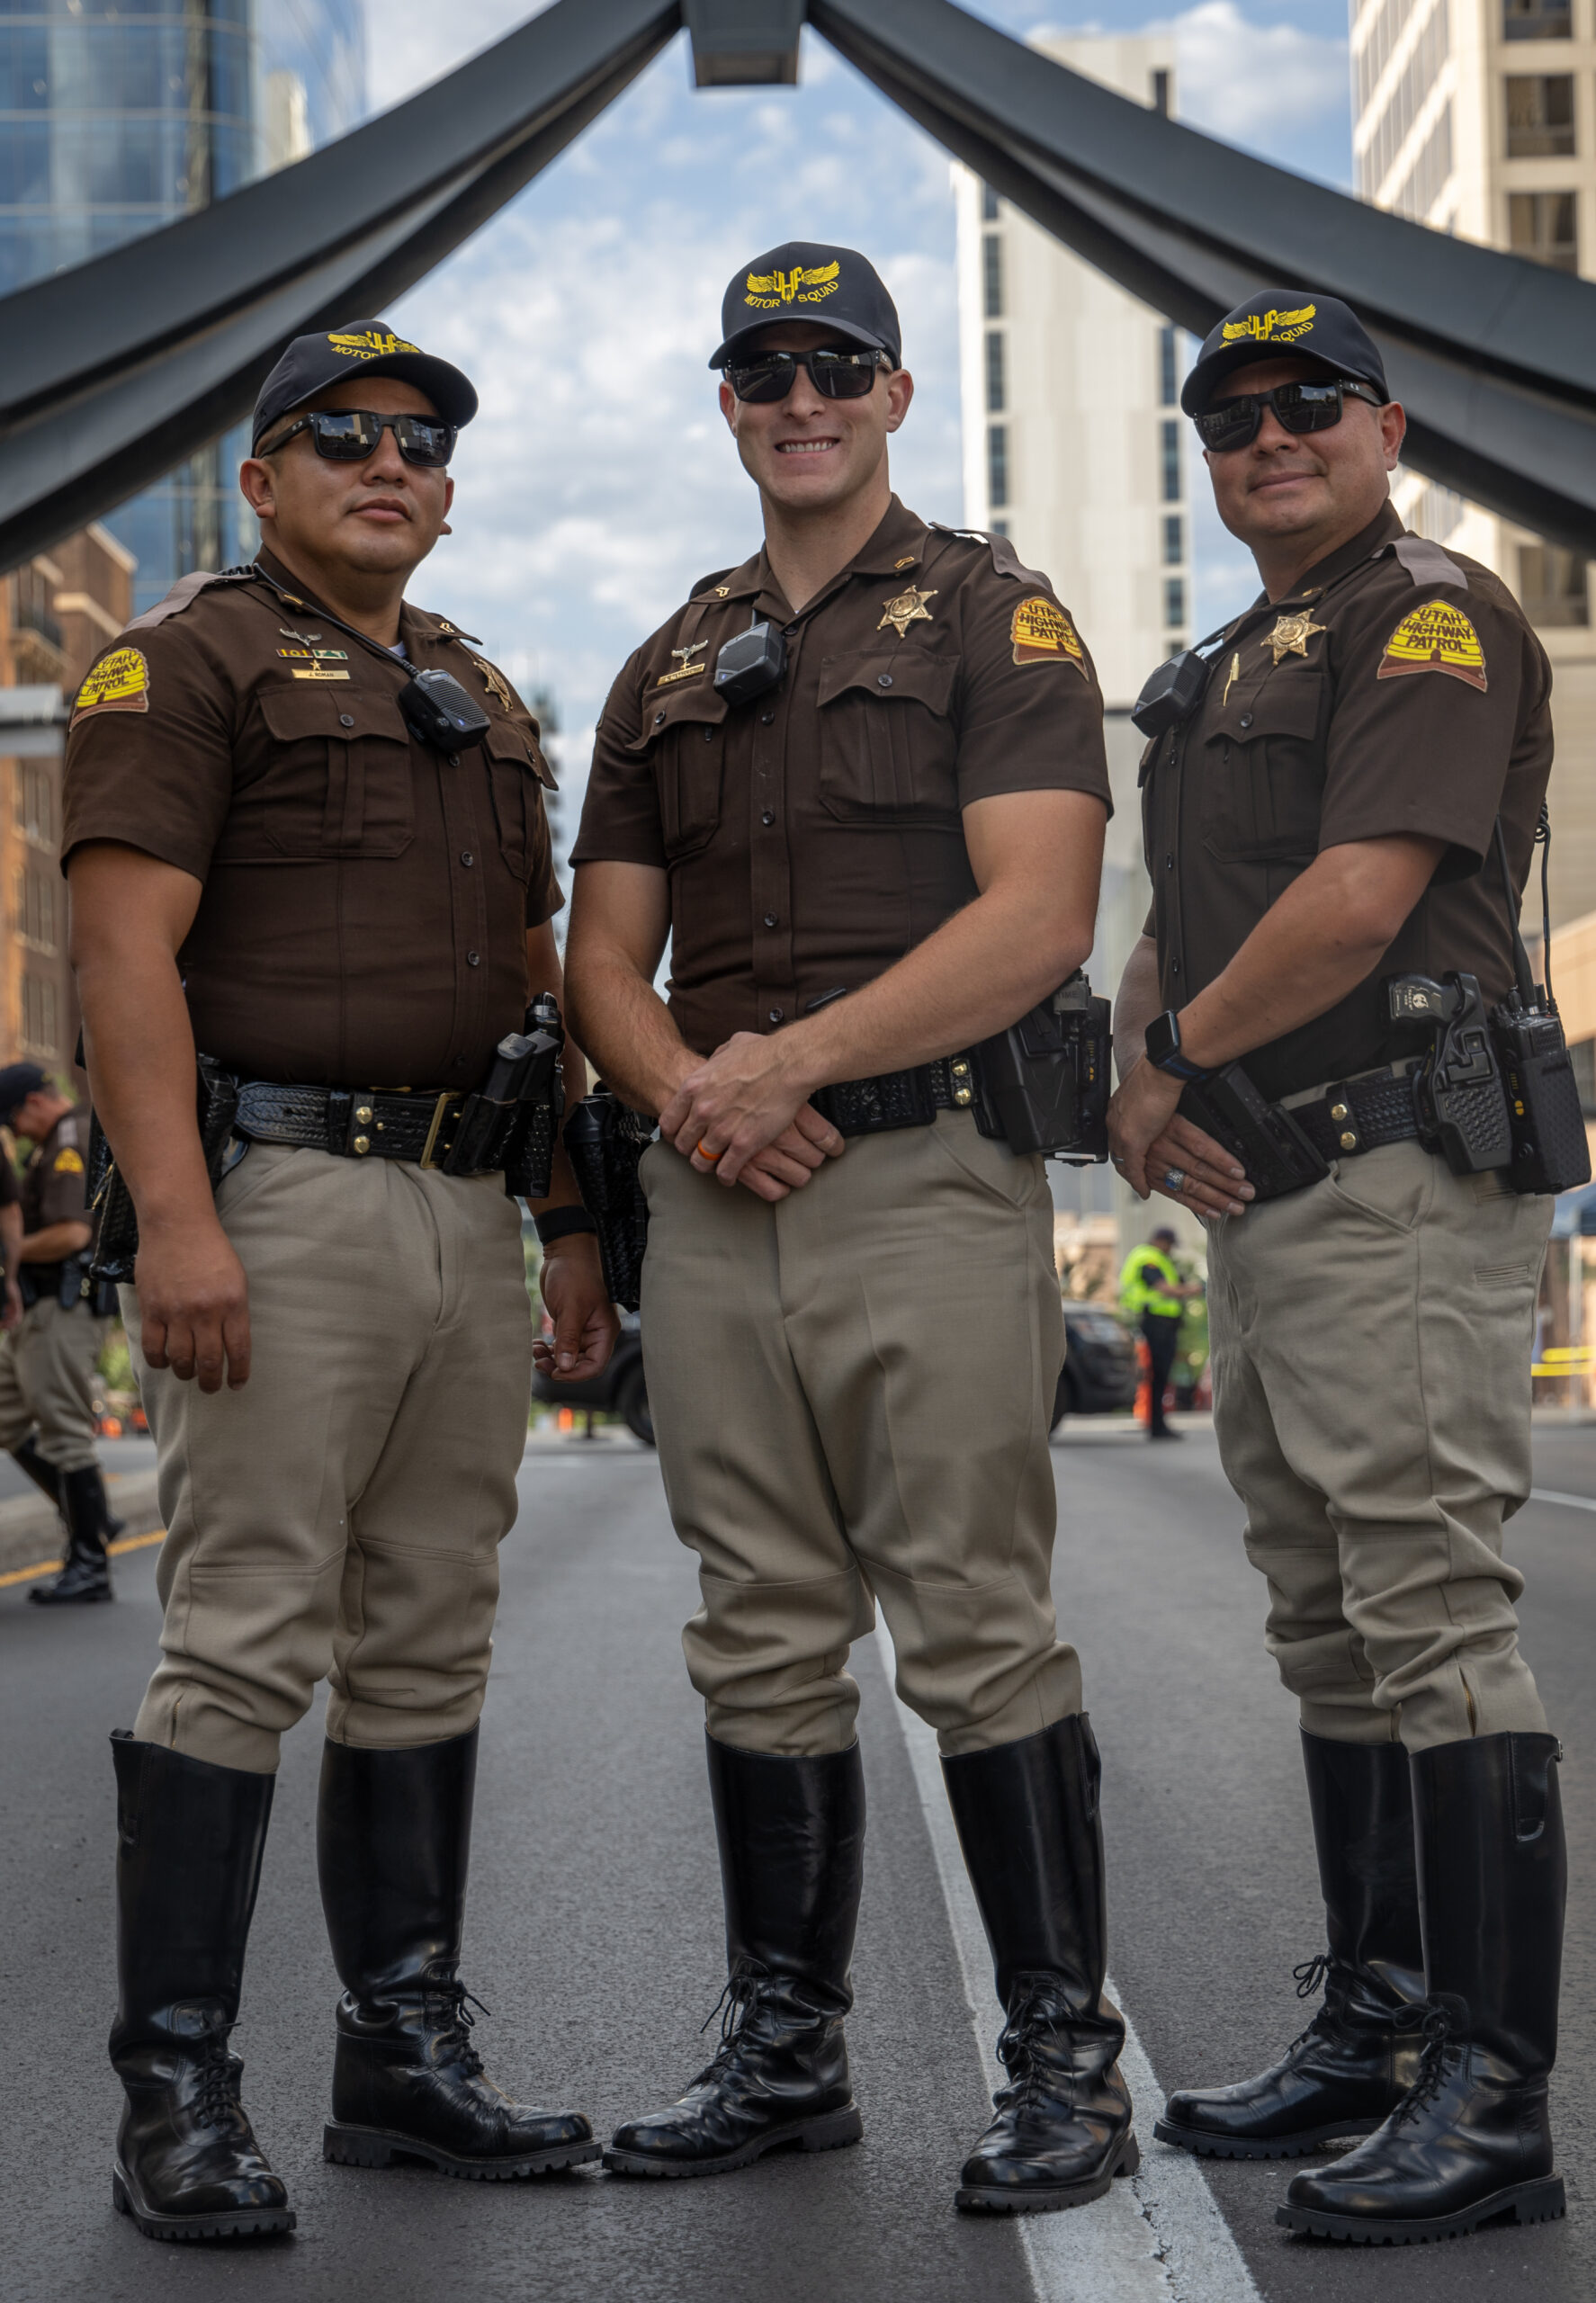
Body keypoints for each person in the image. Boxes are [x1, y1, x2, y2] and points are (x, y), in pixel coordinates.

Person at [566, 243, 1127, 2216]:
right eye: (758, 373)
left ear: (893, 392)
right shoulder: (664, 659)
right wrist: (687, 1094)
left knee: (971, 1616)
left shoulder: (994, 611)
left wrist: (778, 1060)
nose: (795, 399)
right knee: (757, 1627)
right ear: (725, 404)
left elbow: (1037, 915)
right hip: (716, 1192)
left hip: (913, 1171)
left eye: (833, 367)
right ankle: (786, 2049)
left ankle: (1062, 2061)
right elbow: (599, 958)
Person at [63, 320, 617, 2241]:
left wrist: (559, 1223)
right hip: (281, 1192)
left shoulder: (477, 688)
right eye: (342, 436)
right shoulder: (183, 661)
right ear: (266, 474)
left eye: (418, 443)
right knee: (240, 1630)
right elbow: (122, 958)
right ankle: (179, 2096)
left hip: (469, 1204)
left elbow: (534, 990)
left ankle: (400, 2053)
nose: (387, 462)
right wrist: (178, 1217)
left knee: (427, 1629)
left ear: (447, 492)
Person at [1108, 290, 1566, 2245]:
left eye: (1305, 407)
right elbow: (1162, 917)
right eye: (1227, 419)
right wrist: (1138, 1077)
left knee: (1429, 1603)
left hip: (1393, 1165)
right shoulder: (1211, 670)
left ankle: (1490, 2088)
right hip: (1267, 1193)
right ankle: (1375, 2020)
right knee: (1321, 1612)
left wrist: (1177, 1048)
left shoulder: (1428, 616)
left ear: (1385, 432)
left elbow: (1360, 894)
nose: (1263, 437)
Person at [0, 1062, 123, 1602]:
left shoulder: (70, 1136)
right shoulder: (55, 1141)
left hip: (62, 1306)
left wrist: (9, 1253)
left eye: (11, 1122)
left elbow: (74, 1231)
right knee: (8, 1417)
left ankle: (90, 1561)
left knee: (64, 1432)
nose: (15, 1134)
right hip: (35, 1312)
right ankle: (91, 1518)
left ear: (31, 1103)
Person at [1117, 1223, 1195, 1439]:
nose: (1170, 1249)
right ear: (1161, 1241)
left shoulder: (1155, 1258)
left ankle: (1158, 1424)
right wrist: (1193, 1289)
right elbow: (1163, 1289)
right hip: (1156, 1322)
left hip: (1161, 1323)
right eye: (1169, 1245)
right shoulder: (1148, 1258)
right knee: (1158, 1374)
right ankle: (1157, 1426)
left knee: (1160, 1375)